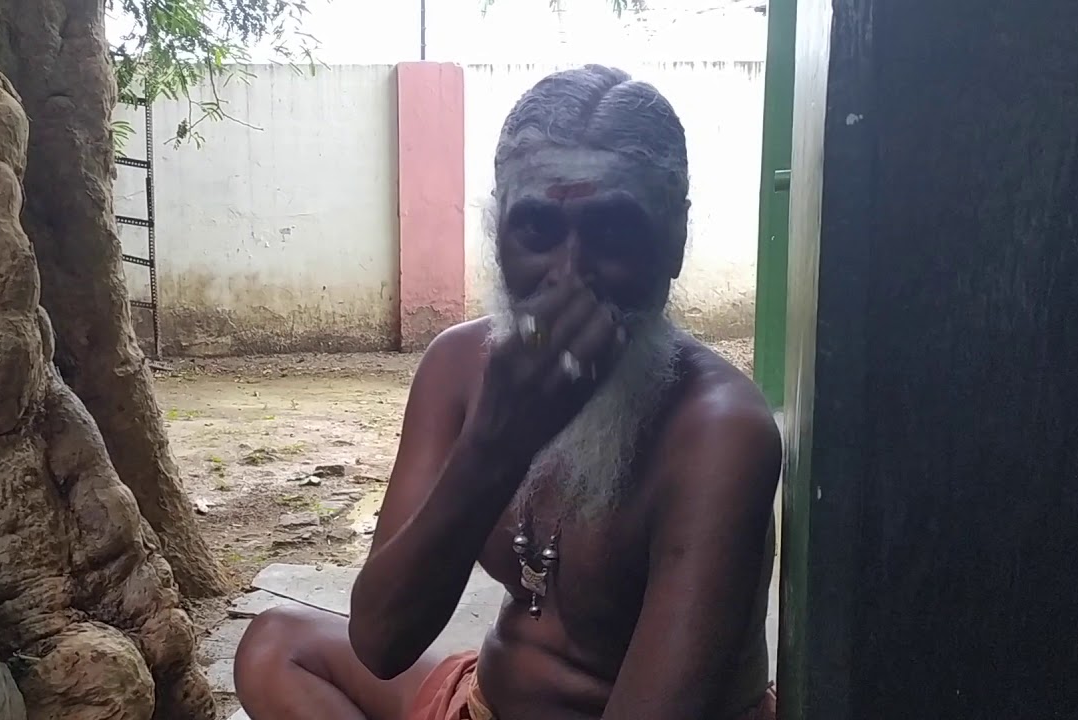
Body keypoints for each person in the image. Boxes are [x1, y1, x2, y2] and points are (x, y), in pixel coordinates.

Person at [234, 64, 781, 720]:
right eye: (537, 230)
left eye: (612, 233)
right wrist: (495, 442)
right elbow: (380, 641)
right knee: (274, 647)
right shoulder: (458, 366)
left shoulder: (719, 430)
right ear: (498, 235)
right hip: (483, 698)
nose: (569, 278)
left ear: (673, 240)